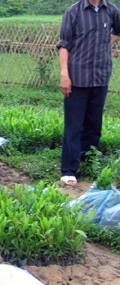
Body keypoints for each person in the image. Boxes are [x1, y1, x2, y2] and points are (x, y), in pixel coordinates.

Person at [57, 0, 120, 186]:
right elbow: (64, 45)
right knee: (74, 126)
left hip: (100, 76)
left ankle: (88, 164)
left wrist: (103, 42)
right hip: (76, 78)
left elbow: (117, 30)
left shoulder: (112, 11)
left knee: (94, 125)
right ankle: (69, 170)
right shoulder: (74, 11)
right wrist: (64, 75)